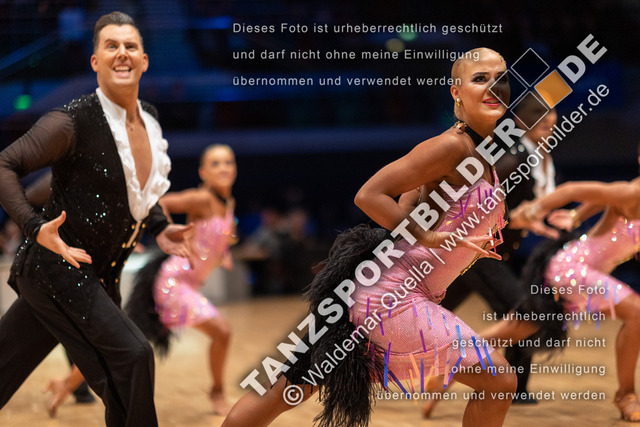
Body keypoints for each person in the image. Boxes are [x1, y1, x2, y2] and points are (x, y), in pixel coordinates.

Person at [222, 47, 517, 427]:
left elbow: (410, 201)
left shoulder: (480, 152)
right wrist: (428, 237)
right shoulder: (451, 146)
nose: (494, 87)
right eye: (480, 79)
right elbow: (370, 195)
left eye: (501, 78)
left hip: (392, 289)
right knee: (499, 380)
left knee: (289, 386)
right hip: (394, 297)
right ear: (456, 91)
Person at [0, 11, 192, 426]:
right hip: (57, 272)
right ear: (95, 61)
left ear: (144, 60)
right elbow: (4, 164)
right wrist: (34, 227)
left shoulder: (150, 118)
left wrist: (160, 227)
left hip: (95, 277)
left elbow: (138, 191)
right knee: (132, 358)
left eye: (130, 46)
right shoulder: (72, 121)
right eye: (111, 46)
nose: (122, 53)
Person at [44, 144, 238, 416]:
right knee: (222, 331)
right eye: (215, 163)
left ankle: (66, 383)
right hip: (173, 283)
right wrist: (167, 232)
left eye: (228, 162)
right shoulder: (202, 199)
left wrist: (222, 253)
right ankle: (217, 392)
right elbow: (162, 204)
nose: (223, 168)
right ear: (203, 172)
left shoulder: (227, 203)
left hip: (188, 283)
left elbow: (216, 236)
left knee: (123, 339)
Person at [422, 95, 560, 415]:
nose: (548, 126)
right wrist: (514, 219)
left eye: (552, 122)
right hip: (477, 254)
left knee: (428, 310)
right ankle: (453, 363)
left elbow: (533, 206)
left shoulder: (540, 157)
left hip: (495, 253)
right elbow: (474, 207)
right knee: (525, 313)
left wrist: (545, 221)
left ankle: (514, 387)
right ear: (521, 121)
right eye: (541, 120)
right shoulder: (512, 160)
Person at [486, 178, 640, 422]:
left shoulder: (628, 192)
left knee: (521, 327)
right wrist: (532, 211)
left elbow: (604, 197)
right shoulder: (633, 193)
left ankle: (453, 359)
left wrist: (576, 216)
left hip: (585, 272)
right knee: (636, 312)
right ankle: (626, 395)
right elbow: (571, 190)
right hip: (572, 268)